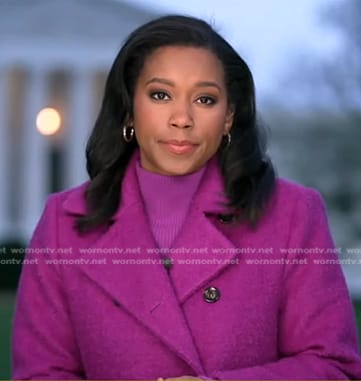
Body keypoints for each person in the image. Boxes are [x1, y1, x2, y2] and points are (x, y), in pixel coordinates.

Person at [12, 14, 361, 380]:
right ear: (130, 108)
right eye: (161, 95)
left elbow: (334, 368)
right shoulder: (62, 223)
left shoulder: (293, 214)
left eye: (205, 99)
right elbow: (41, 374)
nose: (182, 118)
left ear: (228, 117)